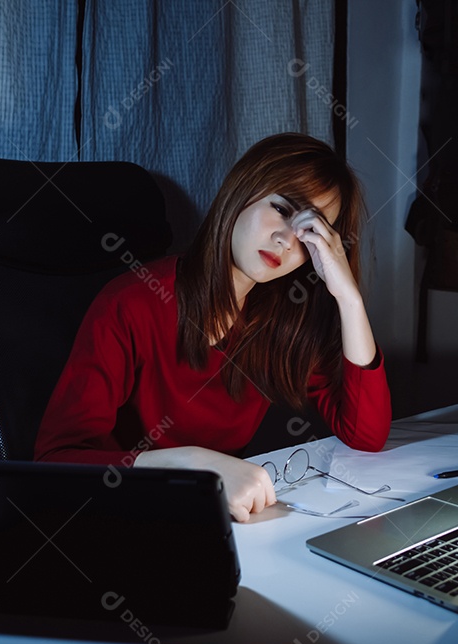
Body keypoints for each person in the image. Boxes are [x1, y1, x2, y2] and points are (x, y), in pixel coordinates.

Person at [34, 133, 391, 522]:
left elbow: (366, 435)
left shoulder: (284, 321)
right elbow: (56, 462)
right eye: (282, 209)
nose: (286, 240)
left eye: (310, 232)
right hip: (117, 515)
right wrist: (190, 461)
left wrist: (348, 298)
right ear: (242, 191)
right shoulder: (131, 303)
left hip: (217, 517)